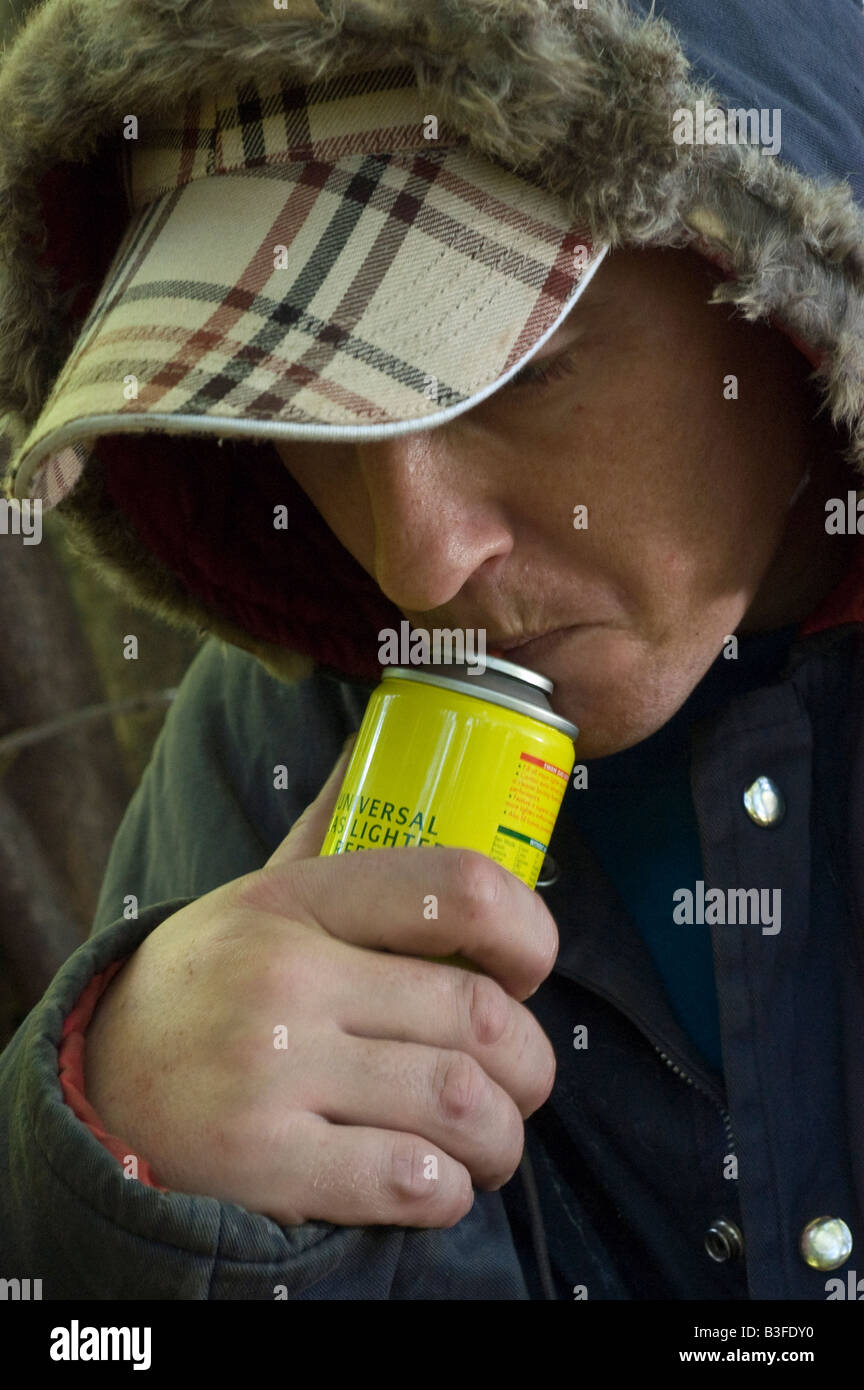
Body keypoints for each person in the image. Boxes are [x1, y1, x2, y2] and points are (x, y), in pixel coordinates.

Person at [0, 0, 863, 1301]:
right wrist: (135, 1184)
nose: (417, 564)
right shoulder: (274, 757)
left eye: (517, 377)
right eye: (298, 401)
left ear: (790, 283)